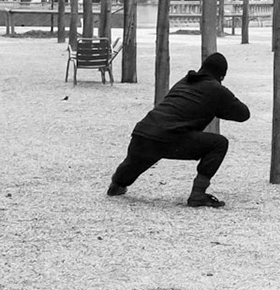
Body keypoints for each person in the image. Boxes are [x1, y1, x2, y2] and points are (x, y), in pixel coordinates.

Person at [107, 52, 250, 207]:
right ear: (222, 76)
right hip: (169, 137)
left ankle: (116, 184)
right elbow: (243, 114)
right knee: (219, 143)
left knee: (136, 161)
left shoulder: (184, 82)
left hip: (143, 132)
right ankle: (198, 194)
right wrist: (219, 106)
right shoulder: (216, 89)